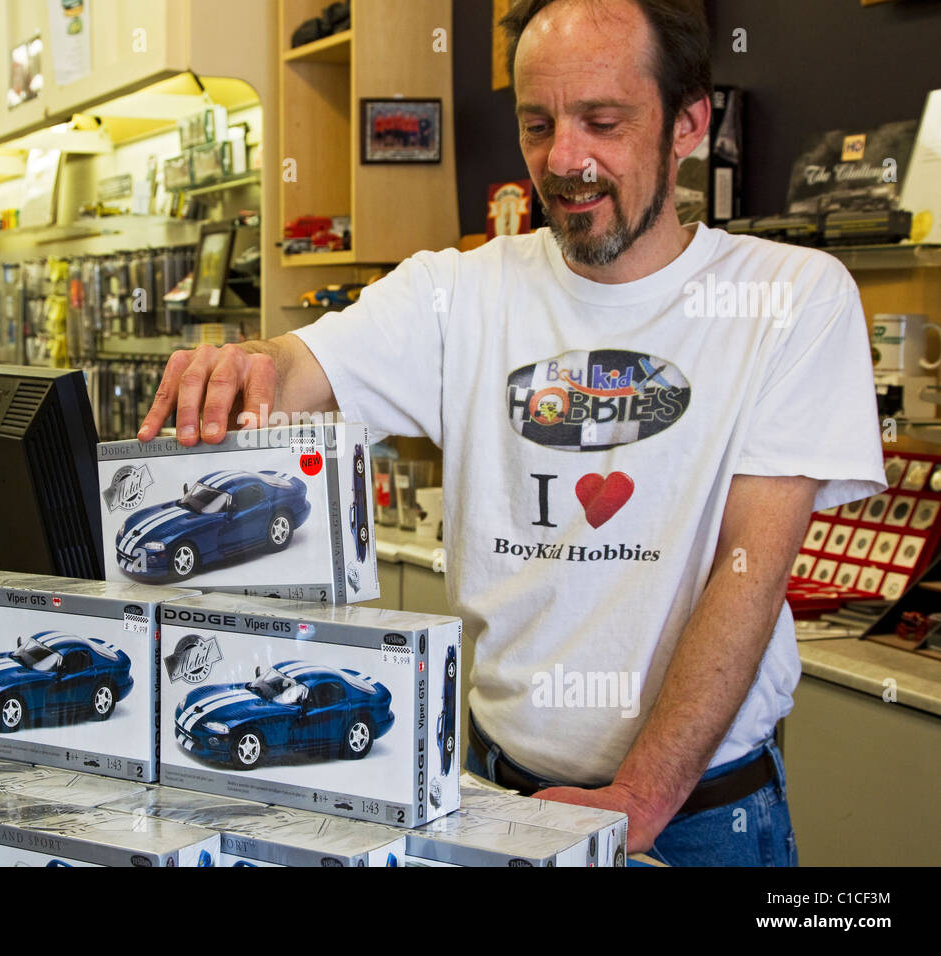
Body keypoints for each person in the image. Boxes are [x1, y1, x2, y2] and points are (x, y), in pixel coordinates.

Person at [136, 0, 886, 866]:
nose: (566, 161)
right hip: (492, 798)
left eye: (602, 122)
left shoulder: (789, 297)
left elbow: (747, 573)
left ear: (688, 124)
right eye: (539, 125)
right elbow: (304, 367)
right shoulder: (460, 293)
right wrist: (250, 361)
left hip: (698, 822)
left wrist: (637, 801)